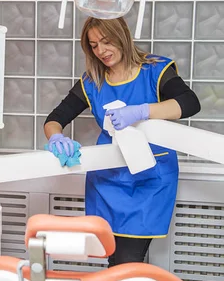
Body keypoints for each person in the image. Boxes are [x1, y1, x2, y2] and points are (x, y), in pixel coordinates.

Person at [44, 16, 201, 267]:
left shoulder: (155, 70)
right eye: (94, 45)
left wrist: (141, 111)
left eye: (106, 42)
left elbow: (190, 103)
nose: (101, 51)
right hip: (108, 182)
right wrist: (56, 137)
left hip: (150, 180)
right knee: (114, 260)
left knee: (128, 262)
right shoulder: (92, 81)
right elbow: (55, 118)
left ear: (122, 36)